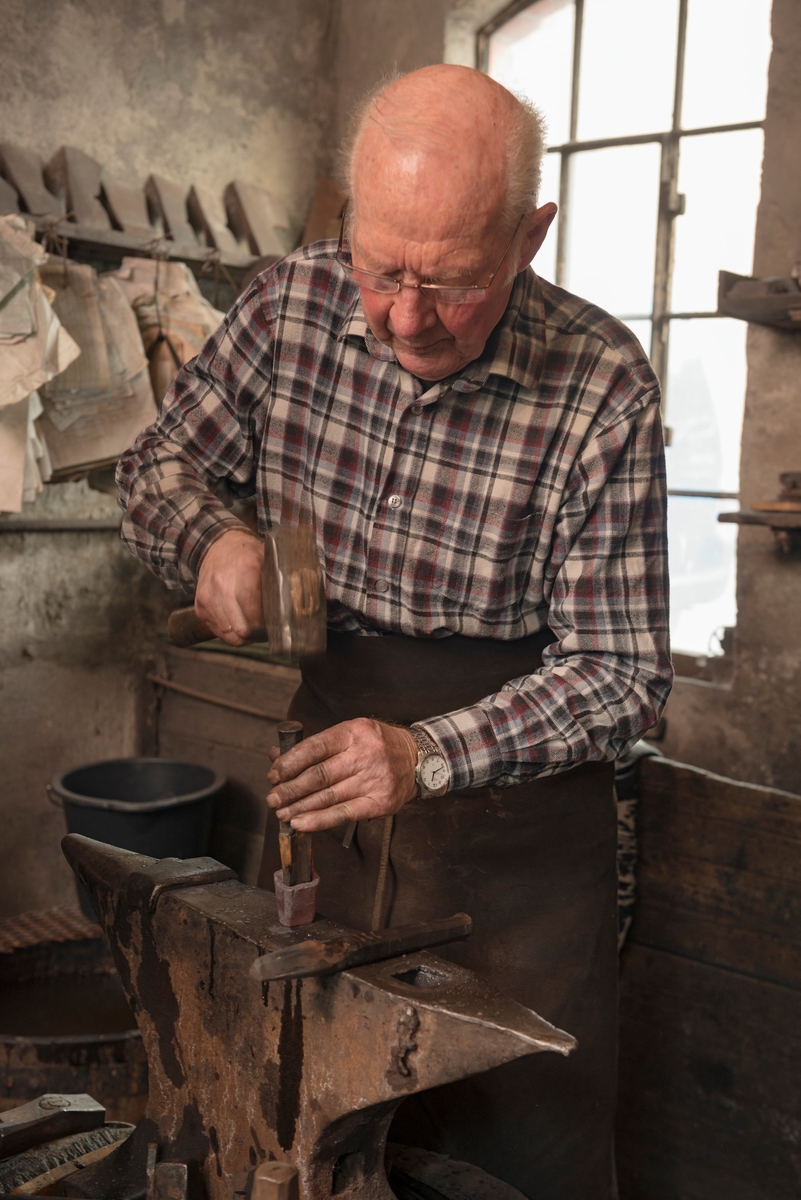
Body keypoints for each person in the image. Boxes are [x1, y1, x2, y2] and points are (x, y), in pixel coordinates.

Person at [118, 64, 672, 1200]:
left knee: (513, 1161)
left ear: (529, 236)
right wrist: (212, 543)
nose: (406, 318)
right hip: (330, 813)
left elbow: (623, 678)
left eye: (453, 284)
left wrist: (425, 753)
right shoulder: (288, 307)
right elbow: (155, 466)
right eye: (382, 272)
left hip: (516, 855)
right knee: (319, 1135)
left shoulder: (601, 382)